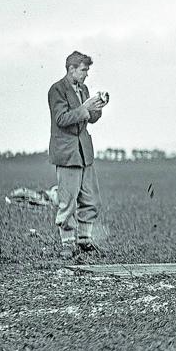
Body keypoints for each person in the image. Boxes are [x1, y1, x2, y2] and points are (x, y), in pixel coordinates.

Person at [48, 51, 108, 259]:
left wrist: (97, 109)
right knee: (68, 200)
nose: (86, 75)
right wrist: (85, 108)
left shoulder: (83, 89)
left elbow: (90, 119)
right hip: (67, 153)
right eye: (83, 70)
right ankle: (67, 243)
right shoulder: (57, 89)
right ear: (71, 68)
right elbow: (62, 119)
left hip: (84, 152)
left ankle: (84, 241)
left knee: (91, 198)